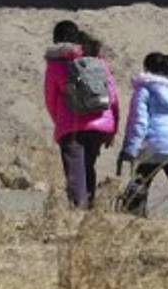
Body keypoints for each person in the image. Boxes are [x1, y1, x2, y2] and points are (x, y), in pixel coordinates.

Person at [43, 21, 120, 209]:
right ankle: (90, 209)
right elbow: (113, 97)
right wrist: (113, 128)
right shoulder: (98, 60)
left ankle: (79, 211)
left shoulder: (56, 64)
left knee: (75, 173)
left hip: (71, 127)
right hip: (99, 125)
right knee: (88, 167)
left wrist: (59, 123)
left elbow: (50, 99)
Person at [117, 52, 168, 214]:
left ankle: (133, 219)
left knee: (138, 188)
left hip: (152, 146)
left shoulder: (145, 90)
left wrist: (130, 149)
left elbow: (138, 122)